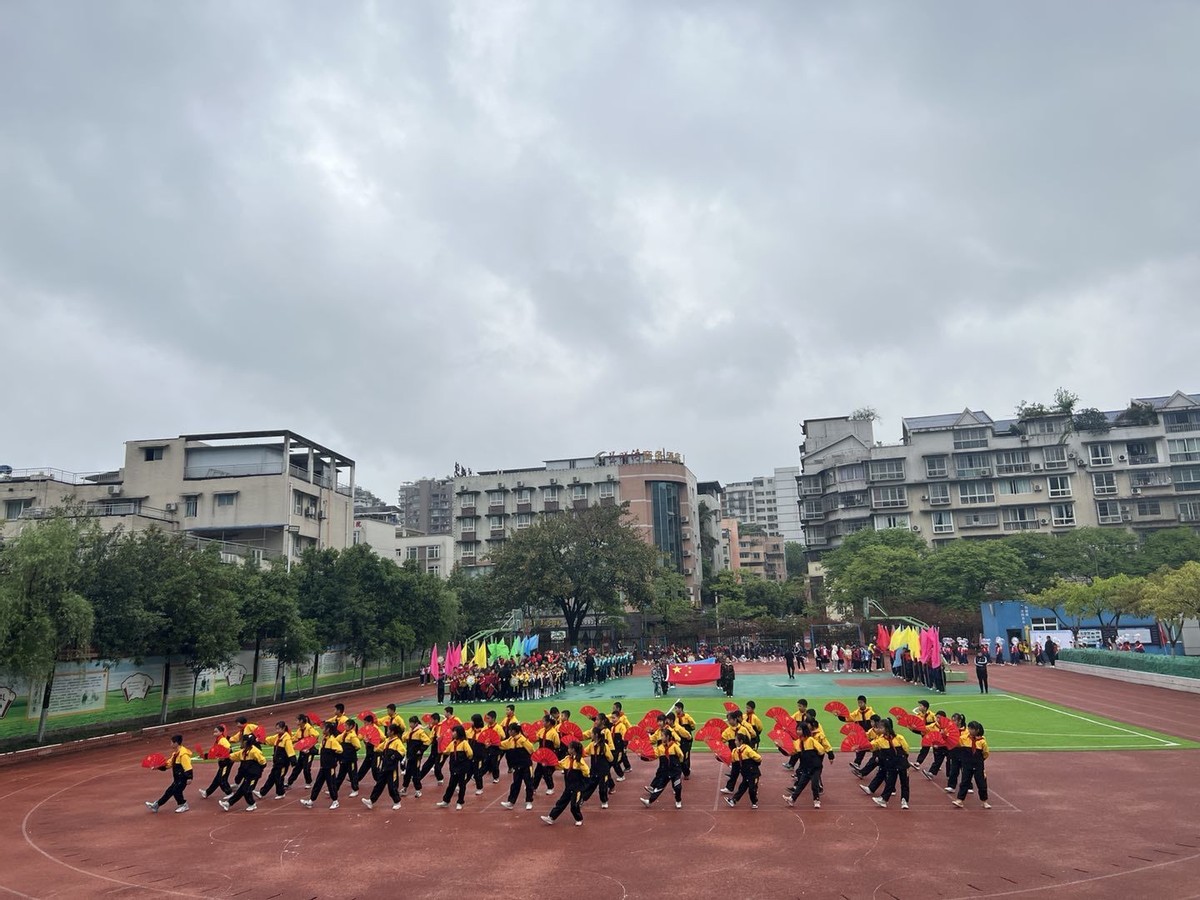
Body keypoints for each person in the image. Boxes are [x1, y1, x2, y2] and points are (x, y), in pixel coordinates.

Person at [541, 741, 590, 826]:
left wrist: (580, 764)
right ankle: (551, 817)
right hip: (569, 786)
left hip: (577, 787)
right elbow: (559, 764)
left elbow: (586, 772)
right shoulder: (567, 759)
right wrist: (548, 764)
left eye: (569, 748)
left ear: (573, 750)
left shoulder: (579, 761)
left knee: (574, 805)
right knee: (561, 802)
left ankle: (579, 818)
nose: (568, 749)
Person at [145, 734, 193, 813]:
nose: (170, 744)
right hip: (177, 778)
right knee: (169, 791)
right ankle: (156, 805)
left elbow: (188, 767)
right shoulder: (175, 754)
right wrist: (158, 767)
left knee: (176, 791)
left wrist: (189, 777)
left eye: (171, 742)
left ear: (176, 743)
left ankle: (183, 805)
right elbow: (168, 764)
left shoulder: (183, 755)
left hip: (183, 777)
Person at [301, 722, 343, 809]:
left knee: (331, 784)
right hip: (323, 766)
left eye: (324, 728)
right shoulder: (324, 739)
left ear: (328, 730)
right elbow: (320, 751)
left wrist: (332, 755)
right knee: (318, 784)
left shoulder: (332, 740)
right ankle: (311, 801)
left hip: (330, 766)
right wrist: (309, 751)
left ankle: (335, 801)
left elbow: (340, 750)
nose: (322, 730)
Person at [362, 723, 405, 810]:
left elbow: (402, 751)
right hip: (384, 767)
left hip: (391, 768)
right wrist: (370, 741)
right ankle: (371, 801)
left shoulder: (397, 742)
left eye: (388, 730)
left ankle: (397, 802)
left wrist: (393, 757)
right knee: (379, 785)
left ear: (392, 732)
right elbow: (378, 748)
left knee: (392, 786)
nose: (387, 732)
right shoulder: (387, 740)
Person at [221, 733, 266, 811]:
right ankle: (228, 803)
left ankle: (252, 804)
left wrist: (257, 771)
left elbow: (263, 762)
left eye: (242, 741)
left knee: (247, 790)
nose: (240, 743)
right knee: (241, 790)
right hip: (247, 775)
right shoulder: (242, 752)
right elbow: (233, 756)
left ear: (246, 742)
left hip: (253, 775)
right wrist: (224, 757)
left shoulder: (254, 751)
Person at [641, 730, 684, 809]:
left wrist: (678, 765)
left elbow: (681, 755)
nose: (661, 737)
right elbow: (653, 756)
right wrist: (642, 756)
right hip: (665, 772)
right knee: (659, 787)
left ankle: (678, 800)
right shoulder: (660, 748)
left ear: (667, 737)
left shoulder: (674, 746)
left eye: (663, 736)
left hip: (675, 771)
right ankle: (649, 801)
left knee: (677, 787)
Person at [952, 721, 991, 809]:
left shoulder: (982, 741)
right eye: (969, 728)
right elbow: (956, 743)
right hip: (967, 764)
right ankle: (960, 800)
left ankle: (984, 801)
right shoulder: (963, 738)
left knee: (981, 783)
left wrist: (980, 761)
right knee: (965, 782)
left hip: (978, 765)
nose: (970, 730)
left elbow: (986, 753)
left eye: (972, 729)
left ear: (977, 730)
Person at [499, 722, 536, 810]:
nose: (509, 732)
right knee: (515, 784)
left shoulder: (523, 740)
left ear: (515, 731)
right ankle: (511, 802)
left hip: (526, 766)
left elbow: (531, 750)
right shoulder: (510, 740)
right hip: (517, 766)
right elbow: (502, 745)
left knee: (529, 784)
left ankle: (529, 801)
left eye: (510, 730)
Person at [436, 724, 474, 810]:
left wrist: (465, 762)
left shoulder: (464, 743)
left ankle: (460, 802)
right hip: (454, 768)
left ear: (459, 733)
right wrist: (439, 743)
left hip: (462, 768)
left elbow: (470, 753)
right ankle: (446, 801)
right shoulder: (452, 743)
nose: (452, 733)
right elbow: (446, 752)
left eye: (454, 732)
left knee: (462, 785)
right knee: (451, 785)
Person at [256, 721, 296, 801]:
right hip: (277, 763)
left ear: (283, 728)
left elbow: (290, 750)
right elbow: (269, 740)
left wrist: (293, 761)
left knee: (279, 778)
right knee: (271, 777)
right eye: (276, 729)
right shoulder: (277, 737)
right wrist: (260, 740)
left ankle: (281, 793)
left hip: (283, 763)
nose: (277, 730)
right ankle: (262, 792)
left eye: (278, 729)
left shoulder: (286, 739)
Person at [580, 724, 614, 809]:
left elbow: (610, 758)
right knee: (590, 785)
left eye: (592, 733)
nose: (590, 735)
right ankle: (582, 799)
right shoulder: (591, 745)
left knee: (603, 787)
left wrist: (606, 766)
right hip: (594, 770)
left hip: (603, 770)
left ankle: (604, 801)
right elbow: (585, 752)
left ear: (596, 735)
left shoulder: (604, 746)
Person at [725, 733, 762, 809]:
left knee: (752, 789)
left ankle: (754, 802)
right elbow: (731, 759)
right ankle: (733, 800)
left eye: (736, 740)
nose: (734, 742)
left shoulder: (747, 749)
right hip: (745, 773)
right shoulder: (735, 751)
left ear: (741, 741)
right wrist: (719, 757)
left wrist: (753, 763)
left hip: (753, 773)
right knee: (742, 788)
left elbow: (758, 758)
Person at [198, 724, 233, 800]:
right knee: (217, 779)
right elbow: (215, 753)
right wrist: (205, 756)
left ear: (221, 732)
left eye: (216, 731)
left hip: (226, 762)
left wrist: (224, 756)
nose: (214, 733)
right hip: (222, 762)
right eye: (214, 731)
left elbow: (229, 749)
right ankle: (207, 792)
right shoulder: (218, 740)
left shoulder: (222, 740)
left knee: (222, 779)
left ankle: (229, 793)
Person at [286, 714, 320, 791]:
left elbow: (316, 735)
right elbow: (295, 738)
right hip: (302, 751)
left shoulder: (309, 728)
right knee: (297, 767)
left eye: (297, 720)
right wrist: (288, 741)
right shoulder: (299, 730)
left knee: (306, 767)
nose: (296, 722)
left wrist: (309, 746)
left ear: (301, 721)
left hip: (309, 751)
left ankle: (309, 782)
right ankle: (289, 782)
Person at [400, 715, 430, 797]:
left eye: (412, 723)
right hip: (410, 756)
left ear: (416, 723)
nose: (410, 724)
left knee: (415, 773)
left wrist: (420, 750)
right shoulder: (410, 731)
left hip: (416, 757)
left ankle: (418, 790)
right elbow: (404, 738)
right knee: (407, 773)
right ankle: (404, 788)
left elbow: (427, 741)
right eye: (409, 723)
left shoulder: (420, 732)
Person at [673, 702, 696, 778]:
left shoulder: (687, 717)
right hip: (678, 738)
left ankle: (687, 771)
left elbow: (693, 725)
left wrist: (686, 730)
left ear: (680, 708)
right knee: (678, 754)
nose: (675, 710)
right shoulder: (675, 718)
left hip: (686, 739)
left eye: (676, 708)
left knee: (686, 755)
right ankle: (679, 770)